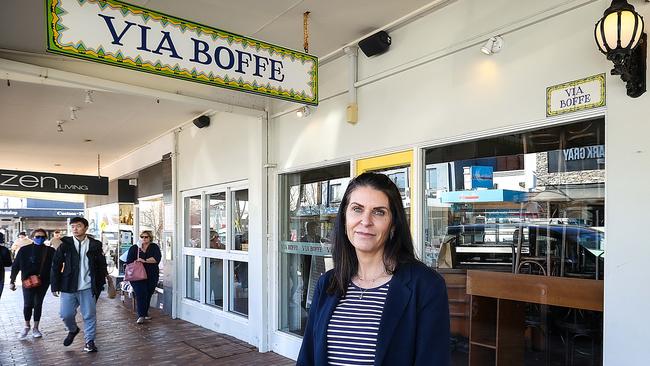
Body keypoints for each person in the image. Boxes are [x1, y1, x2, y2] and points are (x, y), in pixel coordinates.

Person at [297, 172, 450, 366]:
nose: (366, 221)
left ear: (393, 224)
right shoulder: (328, 284)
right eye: (357, 209)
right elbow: (307, 359)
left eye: (379, 212)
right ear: (344, 218)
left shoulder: (426, 286)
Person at [51, 217, 107, 353]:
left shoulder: (95, 245)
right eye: (73, 226)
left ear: (86, 228)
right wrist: (54, 285)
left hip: (88, 287)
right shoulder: (65, 244)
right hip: (68, 286)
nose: (75, 229)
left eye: (78, 226)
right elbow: (56, 265)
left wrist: (100, 284)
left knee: (89, 315)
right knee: (66, 314)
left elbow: (101, 265)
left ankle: (89, 341)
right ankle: (73, 329)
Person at [8, 229, 55, 339]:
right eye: (38, 236)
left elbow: (55, 267)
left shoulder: (50, 251)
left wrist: (55, 283)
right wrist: (12, 281)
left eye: (43, 237)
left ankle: (36, 327)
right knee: (28, 303)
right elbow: (15, 266)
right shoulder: (24, 250)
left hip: (43, 281)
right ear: (32, 237)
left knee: (38, 303)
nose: (40, 238)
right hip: (27, 280)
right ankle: (26, 326)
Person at [125, 230, 161, 324]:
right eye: (142, 237)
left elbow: (156, 259)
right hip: (137, 275)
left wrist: (144, 260)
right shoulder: (135, 248)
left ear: (150, 238)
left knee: (148, 293)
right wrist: (138, 261)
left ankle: (145, 312)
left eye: (146, 237)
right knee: (141, 293)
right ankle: (141, 315)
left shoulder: (154, 247)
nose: (144, 239)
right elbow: (129, 260)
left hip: (151, 274)